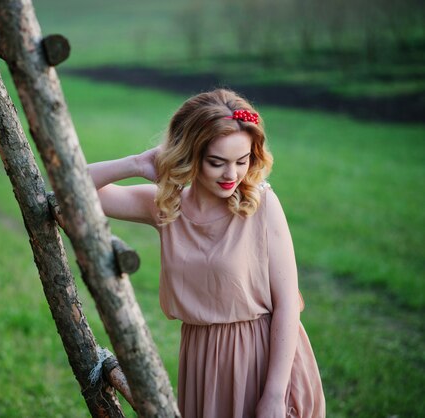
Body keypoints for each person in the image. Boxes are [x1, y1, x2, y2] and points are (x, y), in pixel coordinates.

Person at [87, 89, 325, 418]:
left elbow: (286, 305)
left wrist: (273, 395)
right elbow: (72, 187)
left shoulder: (261, 205)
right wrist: (137, 163)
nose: (232, 175)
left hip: (261, 357)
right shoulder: (166, 206)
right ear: (190, 154)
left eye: (242, 161)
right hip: (200, 358)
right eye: (217, 162)